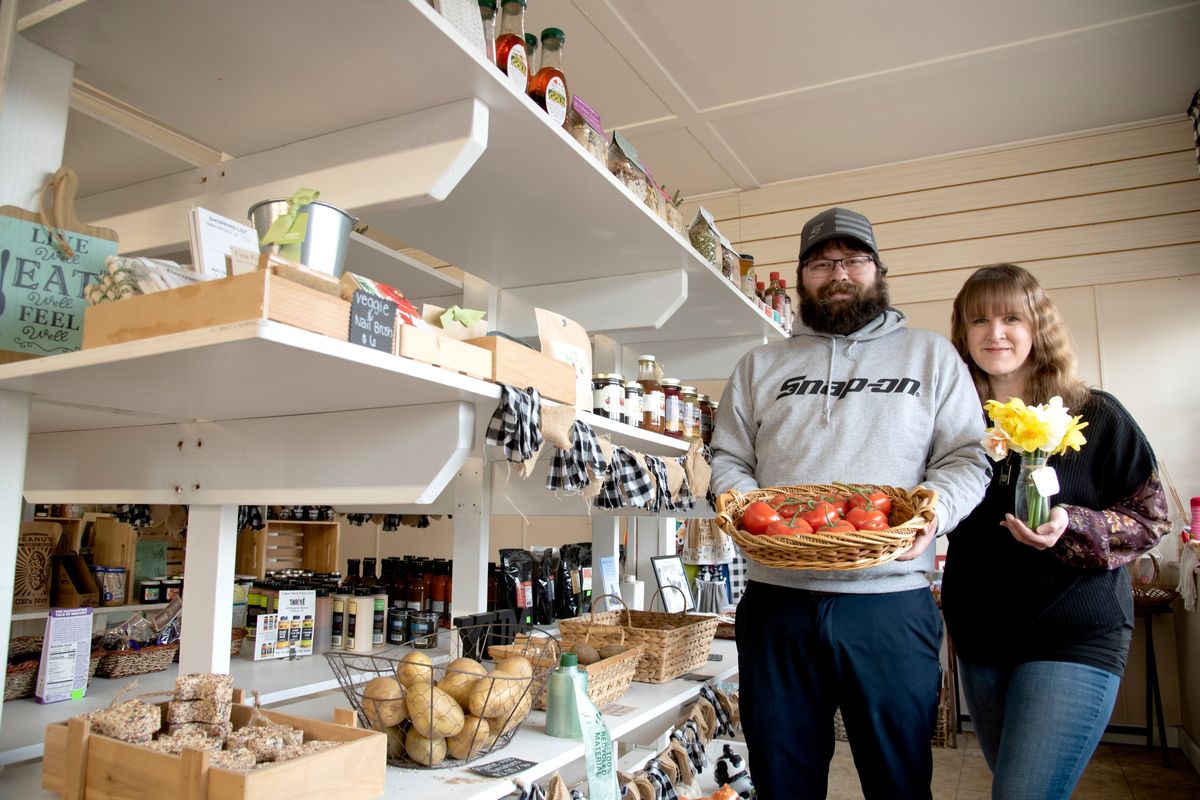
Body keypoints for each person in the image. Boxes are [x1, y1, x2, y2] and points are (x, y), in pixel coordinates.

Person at [709, 207, 990, 800]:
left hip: (891, 603)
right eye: (822, 262)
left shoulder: (931, 357)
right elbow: (729, 457)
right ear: (802, 276)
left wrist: (935, 510)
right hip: (777, 603)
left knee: (899, 781)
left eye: (853, 260)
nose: (839, 273)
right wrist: (733, 499)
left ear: (878, 270)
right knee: (783, 781)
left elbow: (966, 458)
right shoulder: (760, 365)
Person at [941, 264, 1169, 799]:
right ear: (962, 333)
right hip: (983, 638)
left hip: (1075, 633)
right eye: (979, 320)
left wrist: (1076, 525)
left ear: (1038, 326)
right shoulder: (954, 425)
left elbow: (1151, 517)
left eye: (1011, 318)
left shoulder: (1097, 414)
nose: (994, 333)